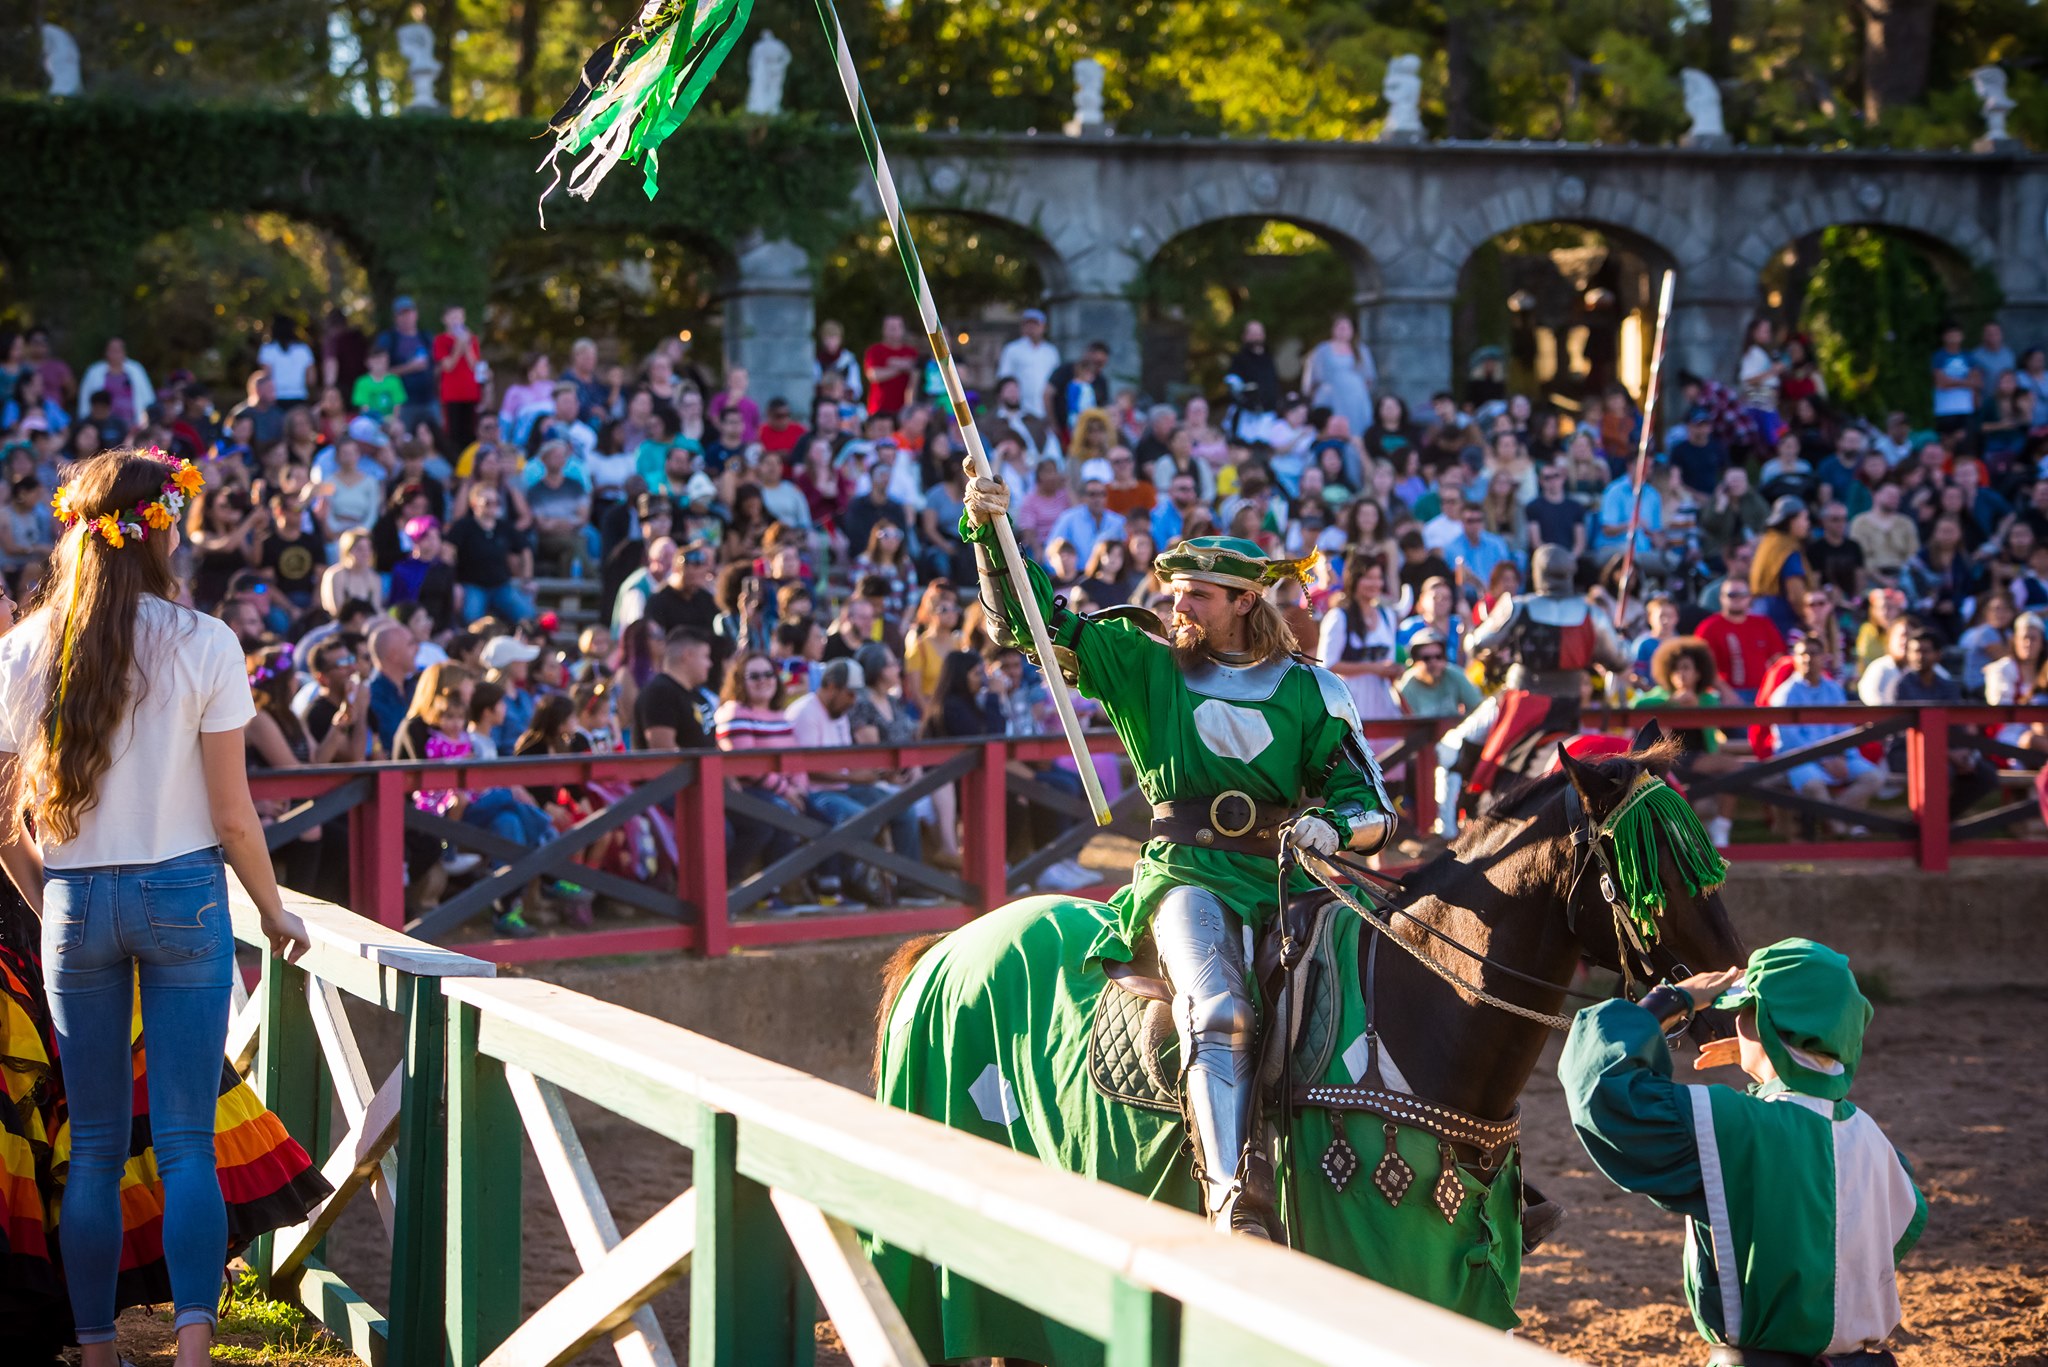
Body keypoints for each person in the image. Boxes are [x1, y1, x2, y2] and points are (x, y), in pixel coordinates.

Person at [964, 464, 1396, 1237]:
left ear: (1244, 601)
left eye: (1197, 593)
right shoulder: (1146, 662)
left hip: (1292, 879)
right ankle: (1233, 1197)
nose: (1178, 604)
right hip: (1188, 874)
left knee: (1397, 991)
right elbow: (1030, 624)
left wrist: (1334, 824)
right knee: (1222, 1009)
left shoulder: (1312, 690)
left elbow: (1374, 806)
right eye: (1175, 590)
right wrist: (993, 537)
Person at [0, 450, 311, 1367]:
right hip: (183, 892)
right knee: (183, 1143)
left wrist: (53, 900)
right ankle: (193, 1344)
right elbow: (231, 815)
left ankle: (96, 1349)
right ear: (165, 528)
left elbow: (3, 820)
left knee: (93, 1144)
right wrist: (276, 909)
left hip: (76, 901)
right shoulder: (203, 640)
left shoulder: (22, 647)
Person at [1563, 940, 1925, 1364]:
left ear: (1766, 1021)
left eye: (1743, 1011)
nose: (1735, 1022)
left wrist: (1669, 999)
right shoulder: (1876, 1144)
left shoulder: (1735, 1126)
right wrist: (1772, 1060)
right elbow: (1891, 1208)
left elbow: (1600, 1081)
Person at [1437, 544, 1629, 837]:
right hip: (1567, 707)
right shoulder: (1592, 614)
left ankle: (1446, 830)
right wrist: (1621, 637)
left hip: (1521, 703)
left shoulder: (1519, 605)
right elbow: (1620, 660)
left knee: (1449, 747)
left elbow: (1476, 644)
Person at [1769, 633, 1885, 828]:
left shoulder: (1833, 690)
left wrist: (1840, 755)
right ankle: (1837, 830)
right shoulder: (1784, 693)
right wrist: (1823, 758)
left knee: (1874, 777)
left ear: (1824, 658)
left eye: (1813, 654)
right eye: (1802, 654)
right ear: (1794, 658)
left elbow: (1843, 729)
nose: (1807, 659)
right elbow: (1788, 741)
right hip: (1798, 759)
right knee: (1813, 785)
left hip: (1835, 755)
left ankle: (1833, 819)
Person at [1698, 578, 1787, 705]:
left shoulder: (1763, 624)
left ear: (1750, 598)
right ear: (1721, 597)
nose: (1737, 599)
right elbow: (1704, 665)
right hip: (1725, 695)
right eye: (1731, 595)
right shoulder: (1708, 627)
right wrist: (1726, 692)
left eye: (1742, 595)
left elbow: (1778, 660)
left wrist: (1772, 689)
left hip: (1762, 691)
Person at [632, 626, 715, 750]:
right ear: (688, 655)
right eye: (706, 656)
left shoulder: (697, 695)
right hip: (680, 770)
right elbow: (664, 754)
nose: (710, 664)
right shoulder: (659, 693)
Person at [1393, 628, 1480, 719]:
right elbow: (1407, 725)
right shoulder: (1406, 686)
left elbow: (1477, 707)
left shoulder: (1454, 675)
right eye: (1426, 658)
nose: (1434, 663)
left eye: (1438, 657)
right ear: (1415, 661)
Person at [996, 309, 1059, 418]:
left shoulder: (1051, 351)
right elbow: (1004, 379)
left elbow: (1055, 381)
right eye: (1028, 324)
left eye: (1035, 324)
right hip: (1019, 412)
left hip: (1045, 412)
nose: (1031, 328)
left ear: (1043, 327)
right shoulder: (1012, 349)